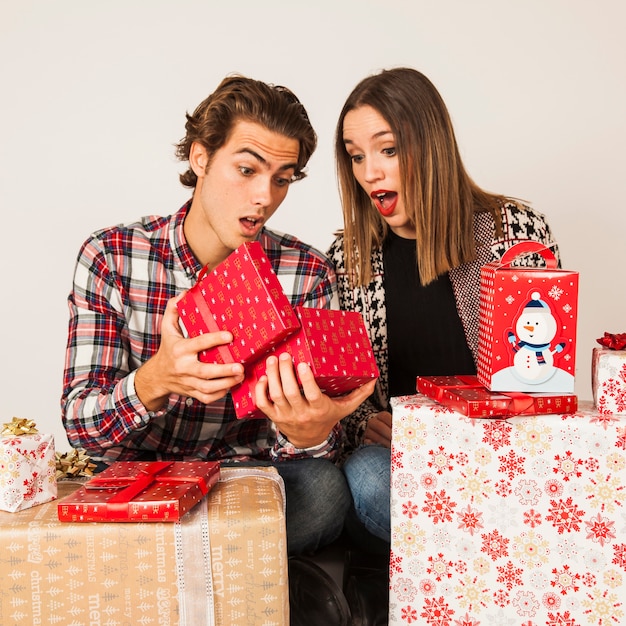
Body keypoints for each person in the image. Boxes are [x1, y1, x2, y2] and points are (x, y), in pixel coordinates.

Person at [61, 75, 375, 622]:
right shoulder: (111, 255)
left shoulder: (306, 272)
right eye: (247, 169)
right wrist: (155, 380)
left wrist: (310, 433)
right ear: (201, 157)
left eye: (283, 179)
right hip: (142, 482)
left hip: (246, 484)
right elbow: (79, 425)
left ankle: (185, 574)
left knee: (325, 490)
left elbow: (312, 451)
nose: (265, 197)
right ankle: (244, 572)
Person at [326, 67, 561, 620]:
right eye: (356, 156)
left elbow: (545, 371)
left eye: (387, 149)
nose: (370, 171)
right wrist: (364, 422)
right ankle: (500, 579)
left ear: (429, 145)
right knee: (364, 477)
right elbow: (339, 397)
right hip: (403, 471)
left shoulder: (513, 233)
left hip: (502, 462)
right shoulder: (347, 258)